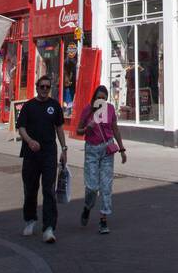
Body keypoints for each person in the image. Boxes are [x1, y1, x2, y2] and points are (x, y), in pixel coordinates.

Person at [17, 76, 67, 243]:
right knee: (30, 188)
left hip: (49, 153)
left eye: (47, 87)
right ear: (36, 87)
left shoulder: (54, 106)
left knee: (48, 189)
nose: (45, 89)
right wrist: (29, 141)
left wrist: (64, 148)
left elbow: (59, 127)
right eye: (42, 87)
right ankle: (30, 220)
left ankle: (49, 228)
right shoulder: (29, 106)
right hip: (31, 153)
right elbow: (21, 127)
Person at [76, 84, 127, 234]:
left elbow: (115, 129)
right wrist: (87, 129)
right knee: (92, 186)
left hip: (107, 149)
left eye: (104, 98)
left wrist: (122, 149)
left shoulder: (110, 109)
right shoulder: (88, 110)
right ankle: (87, 207)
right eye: (99, 98)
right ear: (94, 98)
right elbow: (78, 131)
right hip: (92, 149)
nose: (101, 101)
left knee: (106, 186)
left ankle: (103, 219)